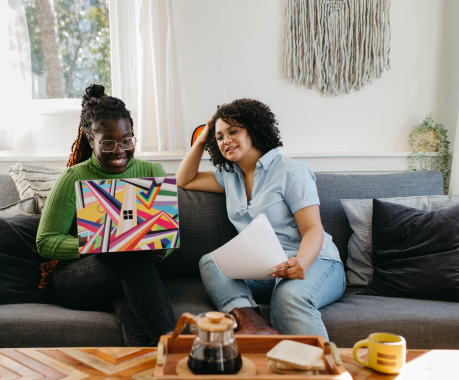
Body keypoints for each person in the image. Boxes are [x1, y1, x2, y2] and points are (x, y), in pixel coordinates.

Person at [176, 99, 345, 339]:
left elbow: (313, 229)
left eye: (233, 131)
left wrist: (302, 263)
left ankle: (321, 372)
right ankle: (253, 326)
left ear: (254, 129)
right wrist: (203, 138)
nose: (226, 141)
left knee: (288, 296)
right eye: (220, 137)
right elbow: (185, 180)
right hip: (267, 268)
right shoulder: (229, 176)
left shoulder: (291, 171)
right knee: (211, 262)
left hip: (316, 263)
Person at [36, 84, 175, 346]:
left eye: (127, 140)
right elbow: (45, 241)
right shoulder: (74, 177)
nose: (120, 150)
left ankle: (150, 365)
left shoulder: (152, 171)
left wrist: (160, 249)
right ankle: (173, 345)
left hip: (133, 275)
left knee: (129, 300)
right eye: (108, 142)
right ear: (91, 141)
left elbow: (166, 231)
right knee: (127, 255)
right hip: (78, 278)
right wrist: (101, 244)